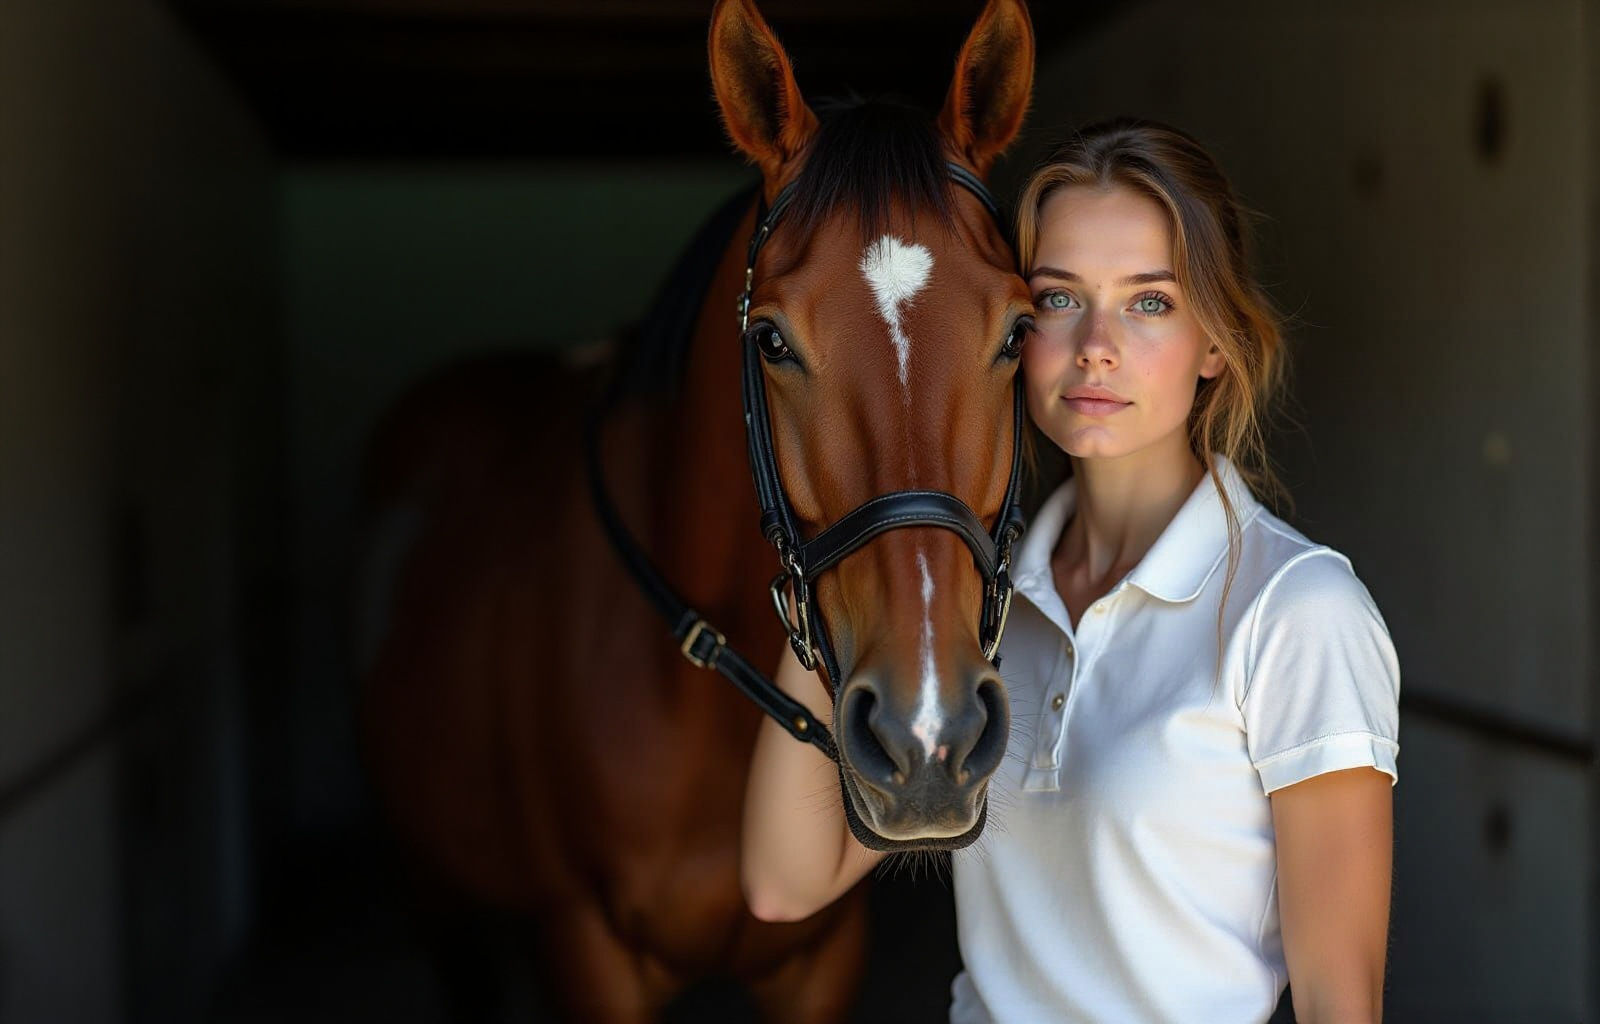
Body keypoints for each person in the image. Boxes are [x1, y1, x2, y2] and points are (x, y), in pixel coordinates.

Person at [740, 118, 1400, 1024]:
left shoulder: (1297, 611)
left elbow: (1340, 1005)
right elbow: (785, 880)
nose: (1096, 342)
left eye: (1150, 301)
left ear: (1216, 344)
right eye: (1057, 299)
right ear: (1014, 331)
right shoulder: (985, 606)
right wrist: (847, 539)